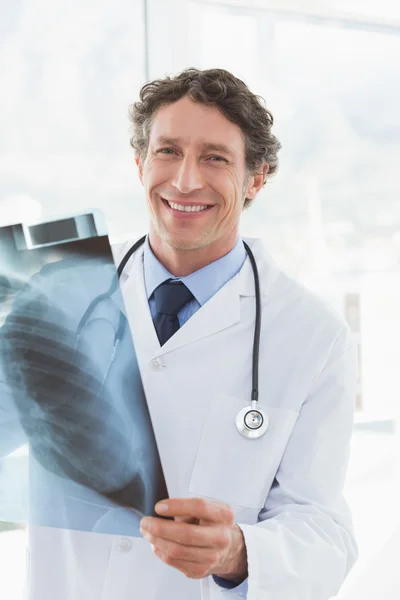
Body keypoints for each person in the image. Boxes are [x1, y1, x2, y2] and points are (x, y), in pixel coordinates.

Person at [0, 67, 358, 600]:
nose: (186, 180)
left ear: (256, 177)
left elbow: (324, 531)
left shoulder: (312, 334)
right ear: (140, 162)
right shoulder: (58, 289)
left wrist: (236, 552)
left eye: (215, 157)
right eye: (167, 151)